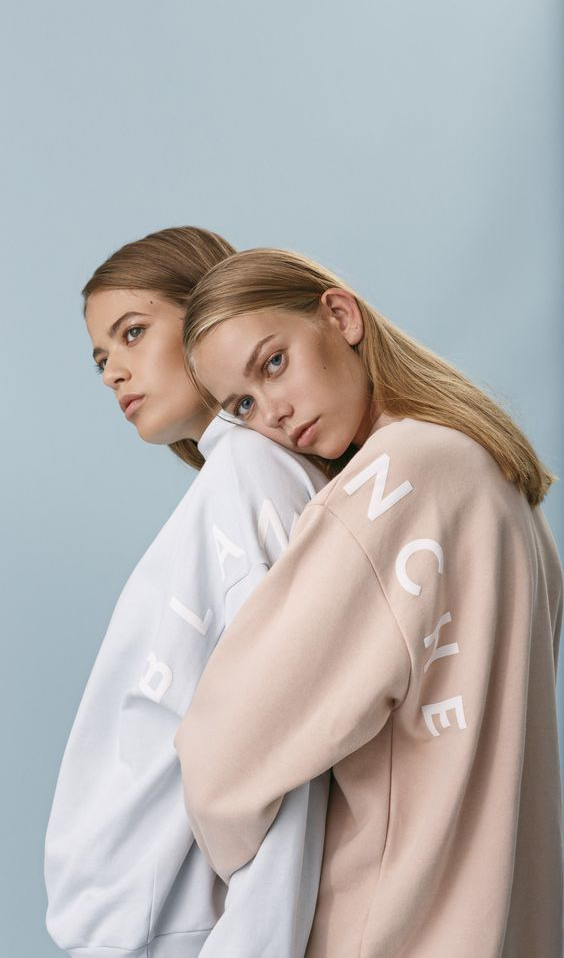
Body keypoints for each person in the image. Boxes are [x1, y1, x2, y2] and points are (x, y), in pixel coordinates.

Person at [173, 248, 564, 957]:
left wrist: (243, 881)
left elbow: (220, 761)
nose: (274, 413)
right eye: (243, 406)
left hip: (390, 930)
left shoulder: (387, 487)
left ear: (340, 315)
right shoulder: (498, 477)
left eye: (273, 363)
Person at [44, 230, 338, 958]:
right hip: (136, 926)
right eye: (100, 358)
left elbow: (288, 749)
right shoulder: (227, 483)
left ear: (208, 313)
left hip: (176, 929)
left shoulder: (252, 476)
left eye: (132, 333)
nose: (113, 372)